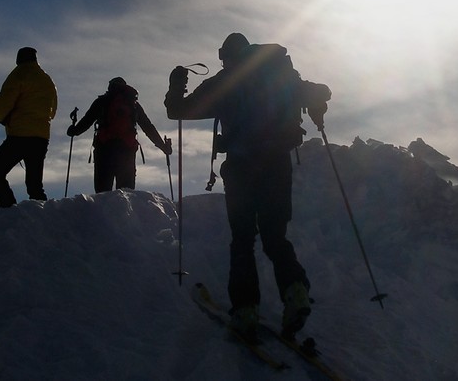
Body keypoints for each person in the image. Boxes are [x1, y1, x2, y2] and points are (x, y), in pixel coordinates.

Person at [166, 33, 331, 339]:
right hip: (277, 164)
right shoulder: (279, 76)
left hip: (242, 168)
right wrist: (315, 104)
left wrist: (177, 82)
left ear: (227, 56)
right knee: (274, 237)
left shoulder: (223, 83)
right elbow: (322, 91)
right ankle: (295, 291)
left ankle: (245, 310)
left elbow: (177, 110)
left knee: (242, 239)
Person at [68, 77, 171, 193]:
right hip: (127, 151)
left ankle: (103, 211)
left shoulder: (102, 101)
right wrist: (163, 146)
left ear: (110, 87)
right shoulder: (133, 104)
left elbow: (86, 121)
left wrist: (74, 130)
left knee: (103, 194)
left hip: (104, 149)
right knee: (126, 194)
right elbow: (148, 127)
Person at [0, 47, 58, 208]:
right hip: (41, 137)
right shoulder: (47, 80)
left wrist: (1, 118)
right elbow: (53, 111)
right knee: (35, 184)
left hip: (19, 135)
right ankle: (42, 216)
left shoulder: (19, 74)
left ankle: (8, 208)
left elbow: (3, 104)